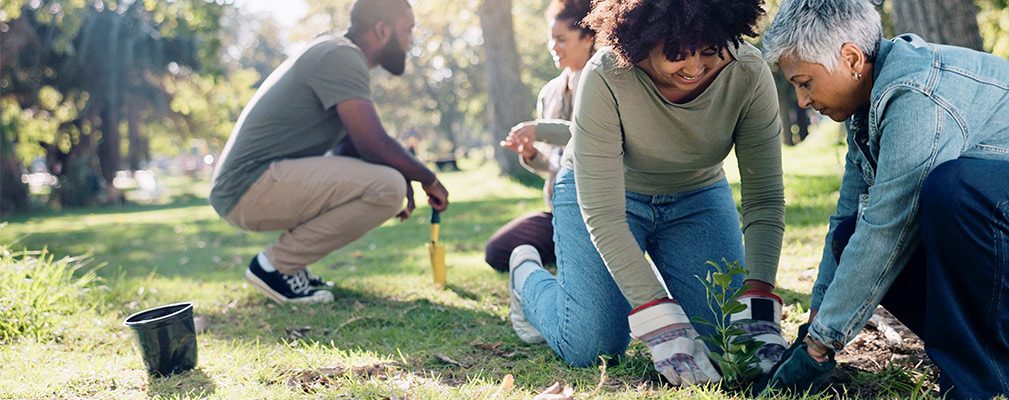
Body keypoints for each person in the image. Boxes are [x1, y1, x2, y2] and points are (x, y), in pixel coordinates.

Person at [760, 1, 1009, 398]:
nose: (802, 100)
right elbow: (847, 219)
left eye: (805, 83)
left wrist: (822, 344)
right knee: (851, 234)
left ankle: (981, 385)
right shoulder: (868, 106)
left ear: (851, 58)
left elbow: (889, 228)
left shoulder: (916, 94)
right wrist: (814, 325)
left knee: (956, 189)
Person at [507, 0, 788, 387]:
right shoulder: (607, 74)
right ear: (641, 44)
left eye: (709, 52)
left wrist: (757, 300)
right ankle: (525, 277)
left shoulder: (747, 71)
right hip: (606, 197)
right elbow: (604, 215)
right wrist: (658, 317)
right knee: (593, 347)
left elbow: (765, 199)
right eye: (675, 55)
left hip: (696, 197)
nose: (693, 68)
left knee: (732, 347)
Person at [209, 0, 449, 305]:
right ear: (382, 30)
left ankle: (288, 266)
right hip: (247, 185)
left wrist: (405, 176)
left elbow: (350, 145)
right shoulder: (341, 56)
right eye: (408, 30)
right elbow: (372, 143)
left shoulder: (338, 54)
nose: (411, 41)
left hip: (251, 185)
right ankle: (274, 266)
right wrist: (427, 179)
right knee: (387, 187)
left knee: (391, 183)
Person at [484, 0, 595, 275]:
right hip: (560, 211)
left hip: (598, 210)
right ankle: (568, 252)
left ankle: (577, 255)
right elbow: (553, 165)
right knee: (497, 250)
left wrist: (541, 128)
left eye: (561, 39)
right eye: (551, 39)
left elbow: (594, 137)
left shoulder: (604, 82)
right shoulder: (550, 93)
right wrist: (531, 154)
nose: (553, 47)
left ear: (589, 38)